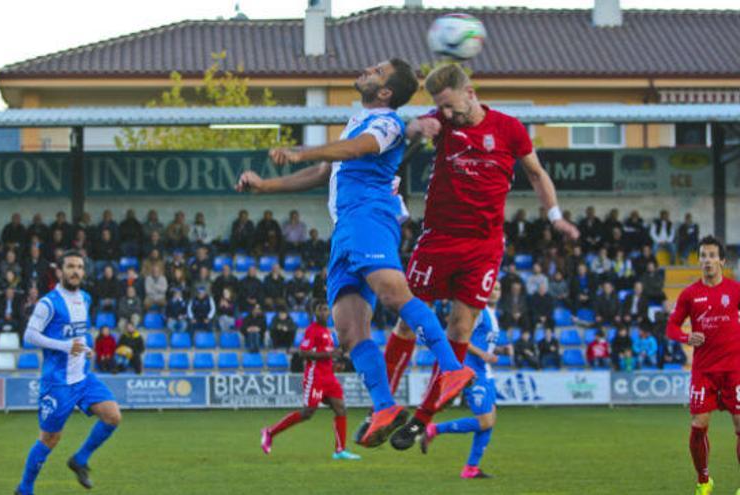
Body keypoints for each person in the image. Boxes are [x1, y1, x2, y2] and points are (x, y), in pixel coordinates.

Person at [238, 59, 474, 447]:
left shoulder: (387, 123)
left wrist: (303, 151)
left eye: (377, 71)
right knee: (349, 329)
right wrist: (265, 186)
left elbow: (357, 149)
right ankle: (385, 405)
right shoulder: (358, 121)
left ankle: (452, 369)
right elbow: (322, 174)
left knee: (392, 293)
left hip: (369, 214)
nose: (367, 69)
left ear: (385, 93)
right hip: (345, 226)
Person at [380, 63, 579, 449]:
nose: (448, 114)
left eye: (452, 106)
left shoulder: (509, 129)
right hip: (439, 239)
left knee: (460, 330)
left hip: (484, 247)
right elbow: (407, 130)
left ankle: (422, 419)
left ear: (470, 92)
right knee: (407, 321)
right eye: (441, 108)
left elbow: (537, 174)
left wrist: (555, 216)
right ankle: (384, 407)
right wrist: (421, 128)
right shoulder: (440, 121)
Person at [15, 250, 121, 494]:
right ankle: (24, 489)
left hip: (83, 378)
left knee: (113, 416)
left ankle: (80, 460)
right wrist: (65, 346)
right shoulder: (48, 303)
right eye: (71, 267)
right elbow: (30, 335)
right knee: (50, 439)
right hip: (57, 382)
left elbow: (78, 332)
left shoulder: (85, 298)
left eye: (80, 267)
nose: (76, 271)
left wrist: (87, 347)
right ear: (60, 271)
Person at [665, 235, 740, 495]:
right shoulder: (689, 294)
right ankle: (704, 479)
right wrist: (687, 337)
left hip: (734, 370)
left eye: (711, 255)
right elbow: (671, 327)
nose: (707, 260)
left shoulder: (735, 290)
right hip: (704, 371)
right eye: (703, 256)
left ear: (722, 260)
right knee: (698, 425)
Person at [419, 282, 509, 478]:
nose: (495, 292)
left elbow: (482, 343)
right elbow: (459, 337)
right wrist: (483, 355)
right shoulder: (478, 311)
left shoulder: (492, 315)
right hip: (472, 370)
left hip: (486, 372)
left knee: (489, 420)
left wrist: (499, 351)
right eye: (492, 288)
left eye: (498, 289)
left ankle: (471, 468)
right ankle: (434, 429)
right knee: (485, 421)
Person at [260, 300, 361, 460]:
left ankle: (340, 450)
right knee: (307, 413)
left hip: (329, 377)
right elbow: (303, 353)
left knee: (341, 408)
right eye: (321, 309)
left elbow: (329, 353)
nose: (324, 312)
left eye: (326, 309)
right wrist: (329, 355)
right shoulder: (312, 331)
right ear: (315, 312)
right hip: (316, 379)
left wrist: (337, 358)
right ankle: (270, 432)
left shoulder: (327, 331)